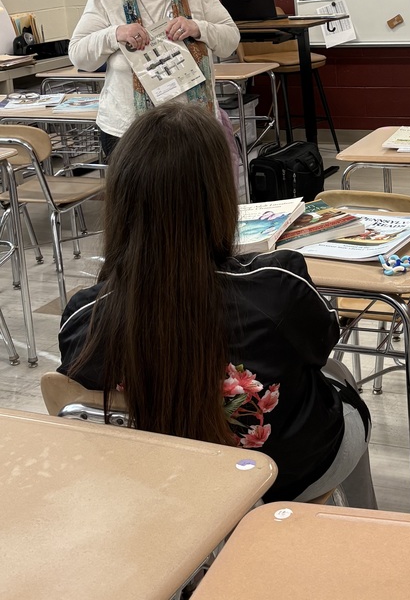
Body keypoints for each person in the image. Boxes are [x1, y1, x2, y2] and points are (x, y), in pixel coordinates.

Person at [57, 104, 377, 507]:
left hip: (164, 487)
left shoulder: (85, 319)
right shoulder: (276, 285)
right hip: (284, 478)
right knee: (344, 385)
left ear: (120, 200)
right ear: (220, 198)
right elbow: (320, 346)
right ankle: (364, 527)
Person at [69, 0, 240, 159]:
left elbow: (230, 40)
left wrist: (198, 28)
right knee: (141, 199)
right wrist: (114, 34)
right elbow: (79, 56)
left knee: (196, 198)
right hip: (128, 132)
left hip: (195, 128)